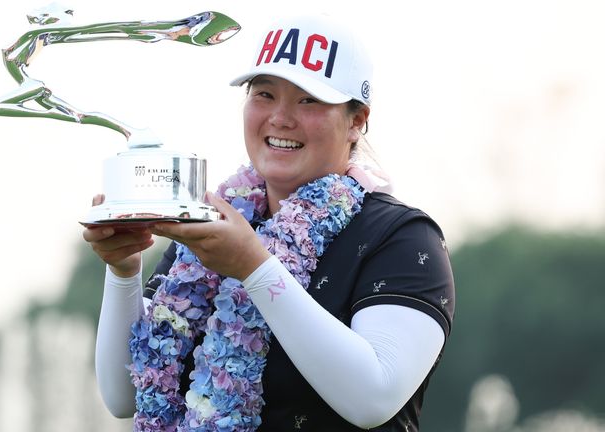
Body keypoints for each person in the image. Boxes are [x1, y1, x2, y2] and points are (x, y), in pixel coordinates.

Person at [84, 14, 455, 432]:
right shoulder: (212, 229)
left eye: (308, 100)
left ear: (356, 121)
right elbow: (123, 397)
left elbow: (373, 398)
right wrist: (123, 273)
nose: (280, 117)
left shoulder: (402, 237)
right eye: (264, 93)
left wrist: (253, 269)